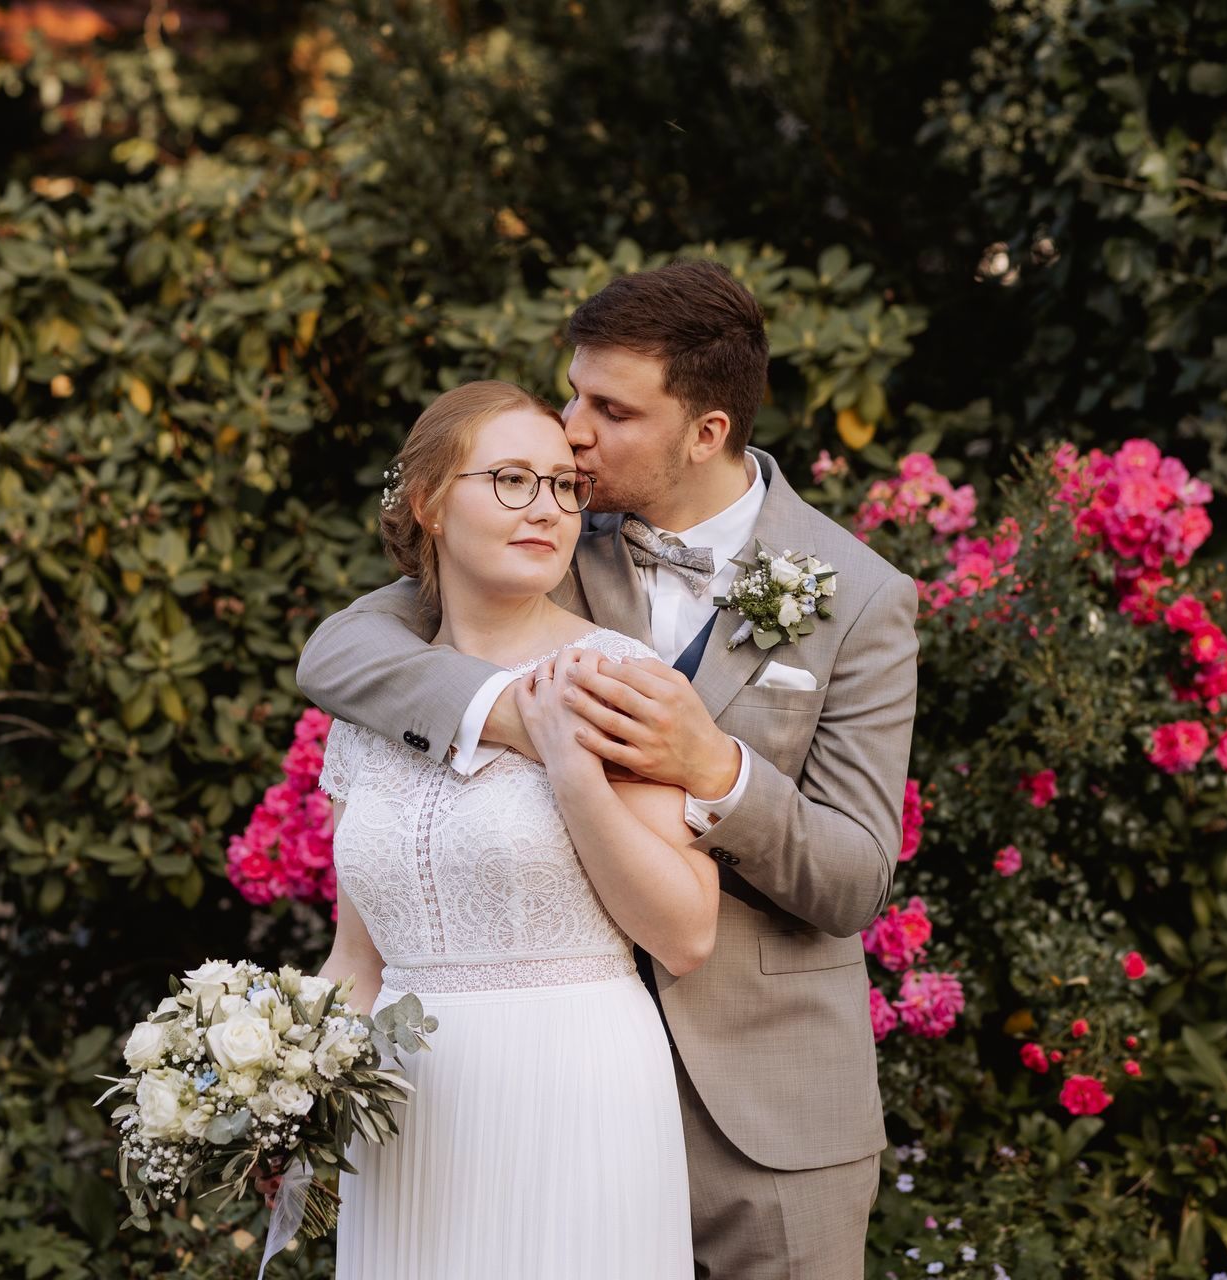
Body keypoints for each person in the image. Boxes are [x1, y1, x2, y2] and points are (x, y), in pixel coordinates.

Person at [300, 259, 920, 1279]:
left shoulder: (858, 595)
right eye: (572, 391)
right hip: (524, 1090)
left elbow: (853, 876)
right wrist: (515, 717)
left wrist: (715, 768)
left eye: (609, 407)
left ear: (706, 431)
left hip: (766, 1112)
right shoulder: (542, 530)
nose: (572, 429)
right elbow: (337, 654)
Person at [315, 379, 716, 1279]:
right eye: (508, 481)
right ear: (428, 506)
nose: (546, 508)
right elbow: (357, 962)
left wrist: (576, 773)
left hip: (572, 1085)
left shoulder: (621, 678)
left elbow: (687, 933)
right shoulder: (373, 702)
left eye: (563, 486)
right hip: (404, 1111)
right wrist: (289, 1095)